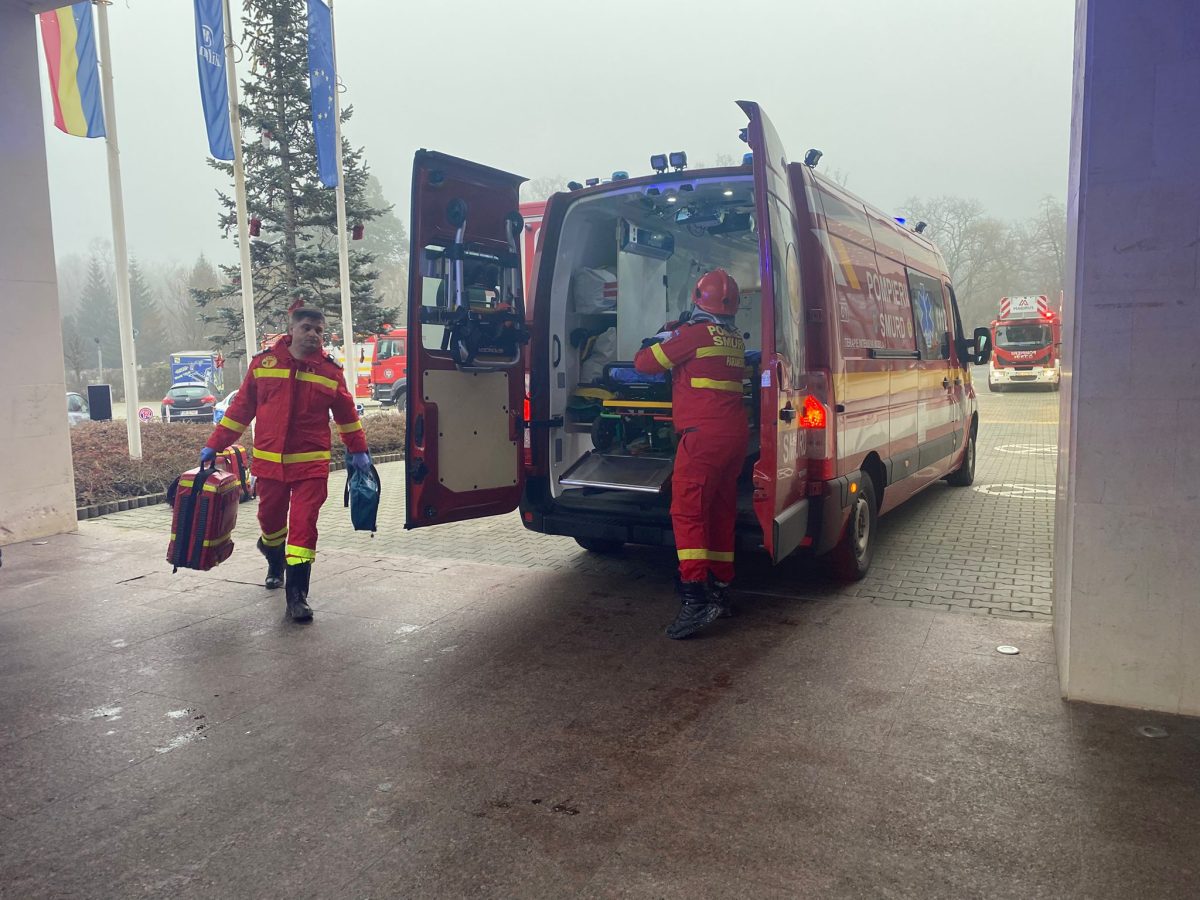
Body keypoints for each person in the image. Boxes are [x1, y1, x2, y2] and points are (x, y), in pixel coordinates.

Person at [201, 307, 371, 622]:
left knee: (304, 527)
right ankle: (272, 556)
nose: (314, 335)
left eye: (320, 331)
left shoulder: (330, 372)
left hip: (311, 467)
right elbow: (240, 410)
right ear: (290, 330)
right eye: (307, 328)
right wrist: (215, 445)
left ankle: (297, 597)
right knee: (270, 521)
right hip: (269, 466)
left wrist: (358, 450)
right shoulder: (263, 365)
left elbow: (347, 416)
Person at [634, 269, 749, 639]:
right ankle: (721, 588)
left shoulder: (693, 335)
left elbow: (644, 363)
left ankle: (695, 599)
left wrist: (664, 335)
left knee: (688, 511)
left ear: (699, 298)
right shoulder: (733, 339)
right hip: (733, 438)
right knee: (719, 510)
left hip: (702, 438)